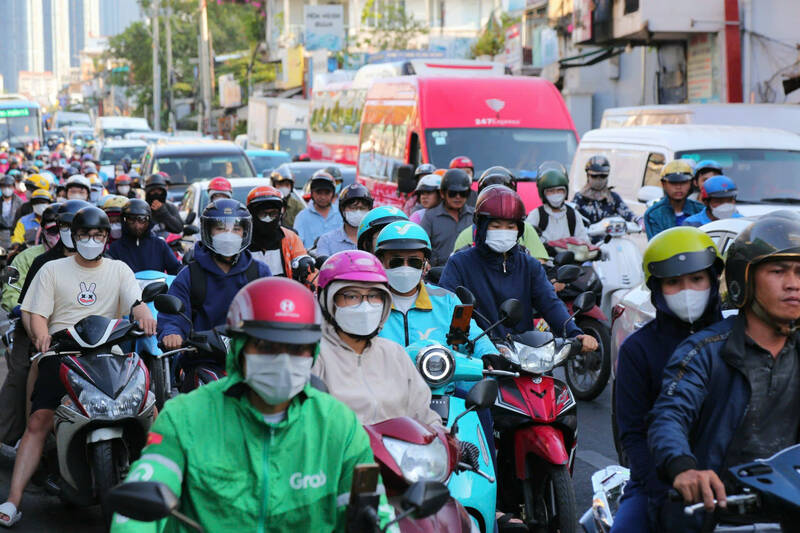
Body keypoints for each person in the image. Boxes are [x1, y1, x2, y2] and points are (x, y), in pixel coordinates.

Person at [108, 277, 393, 533]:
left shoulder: (340, 427)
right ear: (240, 348)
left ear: (313, 351)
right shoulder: (183, 418)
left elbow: (371, 514)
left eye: (296, 348)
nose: (283, 360)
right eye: (266, 346)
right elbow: (141, 502)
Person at [0, 206, 157, 529]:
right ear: (73, 236)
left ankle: (166, 484)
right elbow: (37, 315)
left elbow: (136, 302)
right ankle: (13, 500)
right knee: (39, 420)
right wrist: (41, 336)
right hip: (62, 353)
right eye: (85, 234)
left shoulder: (119, 270)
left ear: (107, 238)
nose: (91, 240)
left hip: (110, 353)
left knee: (150, 409)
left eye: (98, 235)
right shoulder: (52, 270)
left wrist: (143, 314)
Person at [648, 213, 800, 532]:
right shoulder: (705, 352)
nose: (793, 284)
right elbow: (669, 416)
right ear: (744, 278)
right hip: (722, 516)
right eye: (778, 271)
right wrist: (683, 467)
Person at [612, 227, 723, 533]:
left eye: (697, 279)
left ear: (713, 280)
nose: (688, 291)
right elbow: (633, 434)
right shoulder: (637, 349)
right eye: (674, 282)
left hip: (734, 477)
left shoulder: (736, 339)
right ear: (657, 288)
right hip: (659, 481)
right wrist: (664, 490)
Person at [439, 186, 597, 353]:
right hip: (476, 354)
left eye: (510, 227)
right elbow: (447, 308)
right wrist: (464, 342)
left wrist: (574, 333)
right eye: (496, 226)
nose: (503, 232)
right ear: (482, 227)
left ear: (519, 229)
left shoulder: (530, 265)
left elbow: (550, 304)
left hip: (525, 354)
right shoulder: (460, 263)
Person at [311, 250, 441, 427]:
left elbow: (424, 415)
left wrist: (442, 436)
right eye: (352, 296)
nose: (365, 306)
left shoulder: (394, 354)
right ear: (328, 300)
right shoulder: (314, 356)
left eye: (373, 296)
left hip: (400, 445)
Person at [158, 199, 271, 350]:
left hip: (249, 355)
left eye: (236, 229)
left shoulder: (260, 272)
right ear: (208, 231)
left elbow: (273, 312)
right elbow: (173, 315)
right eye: (220, 228)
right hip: (201, 355)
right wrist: (172, 332)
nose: (228, 235)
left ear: (244, 233)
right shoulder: (190, 274)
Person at [375, 220, 496, 358]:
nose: (405, 268)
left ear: (425, 264)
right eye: (396, 262)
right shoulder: (371, 302)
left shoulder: (448, 301)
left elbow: (475, 337)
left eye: (414, 262)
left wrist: (489, 355)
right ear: (381, 262)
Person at [0, 203, 62, 447]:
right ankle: (7, 439)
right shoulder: (22, 258)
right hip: (29, 329)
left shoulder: (82, 258)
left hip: (68, 330)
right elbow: (8, 292)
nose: (60, 236)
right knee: (19, 376)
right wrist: (23, 309)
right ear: (42, 230)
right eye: (54, 230)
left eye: (66, 229)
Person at [453, 170, 548, 261]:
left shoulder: (526, 231)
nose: (500, 203)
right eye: (495, 226)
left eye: (510, 227)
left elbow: (540, 262)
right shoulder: (467, 236)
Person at [245, 186, 313, 279]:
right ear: (252, 214)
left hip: (285, 288)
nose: (268, 219)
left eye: (273, 214)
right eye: (263, 214)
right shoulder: (242, 241)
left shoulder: (290, 238)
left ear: (280, 214)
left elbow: (307, 270)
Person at [106, 199, 182, 275]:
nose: (137, 225)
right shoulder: (115, 248)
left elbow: (176, 269)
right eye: (131, 219)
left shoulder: (159, 245)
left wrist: (186, 270)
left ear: (149, 221)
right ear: (124, 220)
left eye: (142, 219)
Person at [420, 169, 475, 267]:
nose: (458, 197)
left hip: (468, 271)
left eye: (463, 193)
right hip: (438, 274)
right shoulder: (430, 217)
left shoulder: (475, 216)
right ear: (442, 193)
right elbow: (421, 247)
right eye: (452, 193)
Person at [526, 164, 589, 244]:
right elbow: (526, 241)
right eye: (551, 191)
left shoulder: (573, 215)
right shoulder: (536, 215)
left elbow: (584, 241)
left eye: (559, 190)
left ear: (566, 192)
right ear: (543, 193)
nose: (555, 194)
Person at [643, 160, 704, 239]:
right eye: (673, 182)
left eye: (683, 182)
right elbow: (657, 244)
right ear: (663, 184)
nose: (678, 187)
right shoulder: (653, 214)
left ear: (691, 183)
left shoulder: (700, 209)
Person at [573, 155, 638, 226]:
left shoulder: (613, 198)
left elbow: (628, 214)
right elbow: (571, 217)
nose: (599, 180)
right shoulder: (579, 197)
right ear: (588, 176)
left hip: (609, 232)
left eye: (603, 176)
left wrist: (639, 220)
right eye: (594, 176)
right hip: (585, 233)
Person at [315, 183, 373, 257]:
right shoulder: (327, 240)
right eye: (353, 208)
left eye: (362, 208)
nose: (358, 212)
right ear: (342, 210)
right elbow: (323, 262)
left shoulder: (374, 239)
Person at [293, 171, 342, 249]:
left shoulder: (341, 214)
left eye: (327, 193)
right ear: (312, 193)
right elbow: (296, 246)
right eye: (319, 193)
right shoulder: (302, 217)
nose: (323, 197)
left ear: (333, 193)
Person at [0, 175, 23, 249]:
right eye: (4, 186)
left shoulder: (20, 202)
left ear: (14, 187)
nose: (7, 189)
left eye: (9, 186)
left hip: (15, 235)